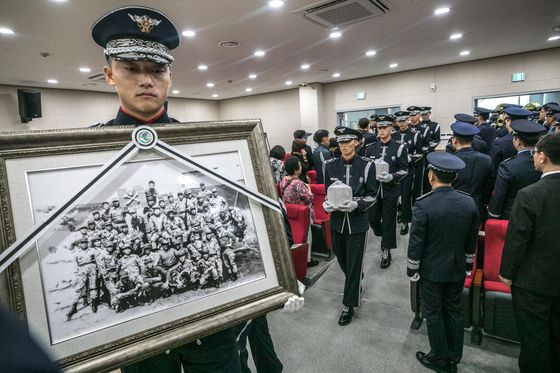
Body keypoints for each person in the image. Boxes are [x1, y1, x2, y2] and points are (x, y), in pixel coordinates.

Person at [90, 6, 302, 372]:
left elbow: (262, 209)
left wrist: (277, 274)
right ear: (109, 75)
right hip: (143, 342)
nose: (146, 80)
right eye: (131, 69)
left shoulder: (211, 148)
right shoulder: (86, 153)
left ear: (171, 77)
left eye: (157, 70)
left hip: (214, 329)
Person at [407, 152, 479, 373]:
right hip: (457, 268)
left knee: (434, 313)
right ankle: (454, 356)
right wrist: (468, 265)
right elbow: (471, 239)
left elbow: (416, 241)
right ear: (454, 178)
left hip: (432, 270)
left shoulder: (423, 204)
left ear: (431, 176)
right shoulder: (469, 203)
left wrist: (412, 268)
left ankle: (439, 357)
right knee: (454, 311)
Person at [499, 132, 560, 373]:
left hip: (533, 281)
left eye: (535, 153)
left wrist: (506, 272)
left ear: (543, 157)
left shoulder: (529, 195)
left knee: (534, 339)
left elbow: (518, 240)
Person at [322, 126, 377, 325]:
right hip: (337, 222)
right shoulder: (329, 165)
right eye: (341, 142)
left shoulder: (367, 165)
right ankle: (355, 278)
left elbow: (373, 196)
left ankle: (348, 305)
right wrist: (325, 204)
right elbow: (327, 191)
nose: (344, 145)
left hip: (357, 223)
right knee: (344, 260)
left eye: (348, 141)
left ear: (356, 142)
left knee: (354, 264)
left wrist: (357, 204)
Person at [365, 115, 408, 268]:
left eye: (384, 127)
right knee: (373, 220)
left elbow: (404, 170)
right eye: (379, 127)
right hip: (374, 191)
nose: (381, 130)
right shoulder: (370, 148)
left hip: (390, 190)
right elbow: (365, 169)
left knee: (389, 221)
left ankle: (386, 249)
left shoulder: (400, 147)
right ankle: (384, 235)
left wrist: (392, 176)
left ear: (391, 128)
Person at [488, 119, 546, 219]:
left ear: (517, 141)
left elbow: (499, 196)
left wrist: (493, 215)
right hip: (541, 215)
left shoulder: (508, 166)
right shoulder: (545, 162)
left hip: (513, 216)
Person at [448, 121, 494, 215]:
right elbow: (489, 185)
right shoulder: (486, 159)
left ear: (454, 140)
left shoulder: (450, 161)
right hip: (477, 204)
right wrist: (484, 201)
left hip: (453, 204)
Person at [279, 157, 318, 267]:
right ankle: (308, 260)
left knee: (294, 236)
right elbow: (309, 198)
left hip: (290, 213)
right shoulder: (298, 183)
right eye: (299, 166)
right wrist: (309, 189)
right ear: (296, 170)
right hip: (302, 213)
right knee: (307, 236)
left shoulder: (283, 180)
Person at [392, 110, 423, 235]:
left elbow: (420, 152)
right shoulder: (393, 135)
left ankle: (405, 222)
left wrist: (409, 157)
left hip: (408, 171)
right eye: (399, 121)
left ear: (407, 120)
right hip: (395, 171)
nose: (402, 123)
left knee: (405, 197)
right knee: (395, 196)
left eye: (404, 121)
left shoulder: (415, 134)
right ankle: (398, 212)